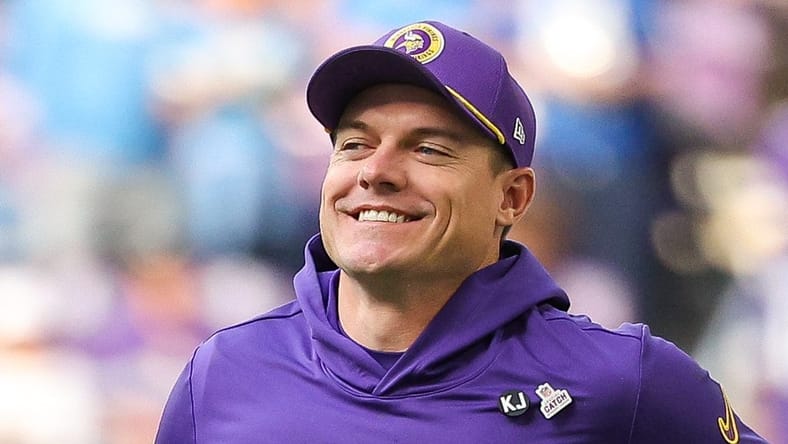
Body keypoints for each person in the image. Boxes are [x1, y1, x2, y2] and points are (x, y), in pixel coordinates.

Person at [155, 21, 766, 443]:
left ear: (511, 197)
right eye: (355, 144)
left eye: (427, 149)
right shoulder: (224, 374)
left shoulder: (621, 383)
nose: (376, 173)